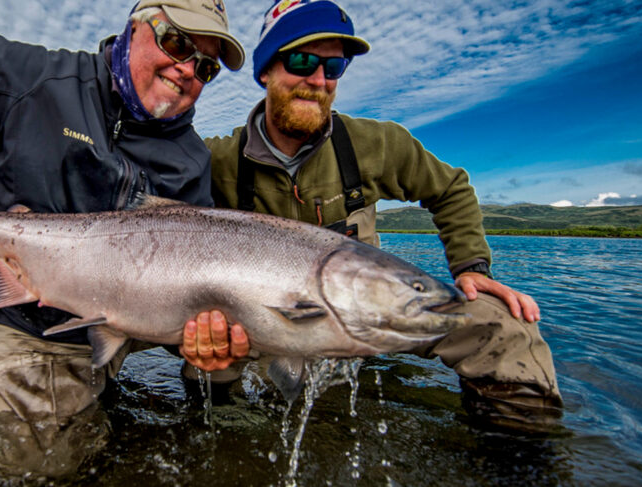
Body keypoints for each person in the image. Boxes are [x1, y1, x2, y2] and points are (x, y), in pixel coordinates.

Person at [0, 0, 248, 475]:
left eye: (206, 66)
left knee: (268, 319)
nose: (186, 70)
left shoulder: (190, 159)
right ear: (136, 27)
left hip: (140, 313)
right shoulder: (36, 80)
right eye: (177, 43)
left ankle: (219, 404)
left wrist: (201, 343)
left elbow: (191, 284)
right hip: (34, 317)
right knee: (44, 467)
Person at [201, 0, 563, 430]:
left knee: (505, 326)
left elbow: (451, 188)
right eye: (301, 61)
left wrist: (471, 266)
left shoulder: (378, 143)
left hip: (373, 316)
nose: (318, 80)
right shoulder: (217, 159)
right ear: (265, 71)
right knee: (203, 363)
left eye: (333, 68)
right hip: (263, 325)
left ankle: (519, 456)